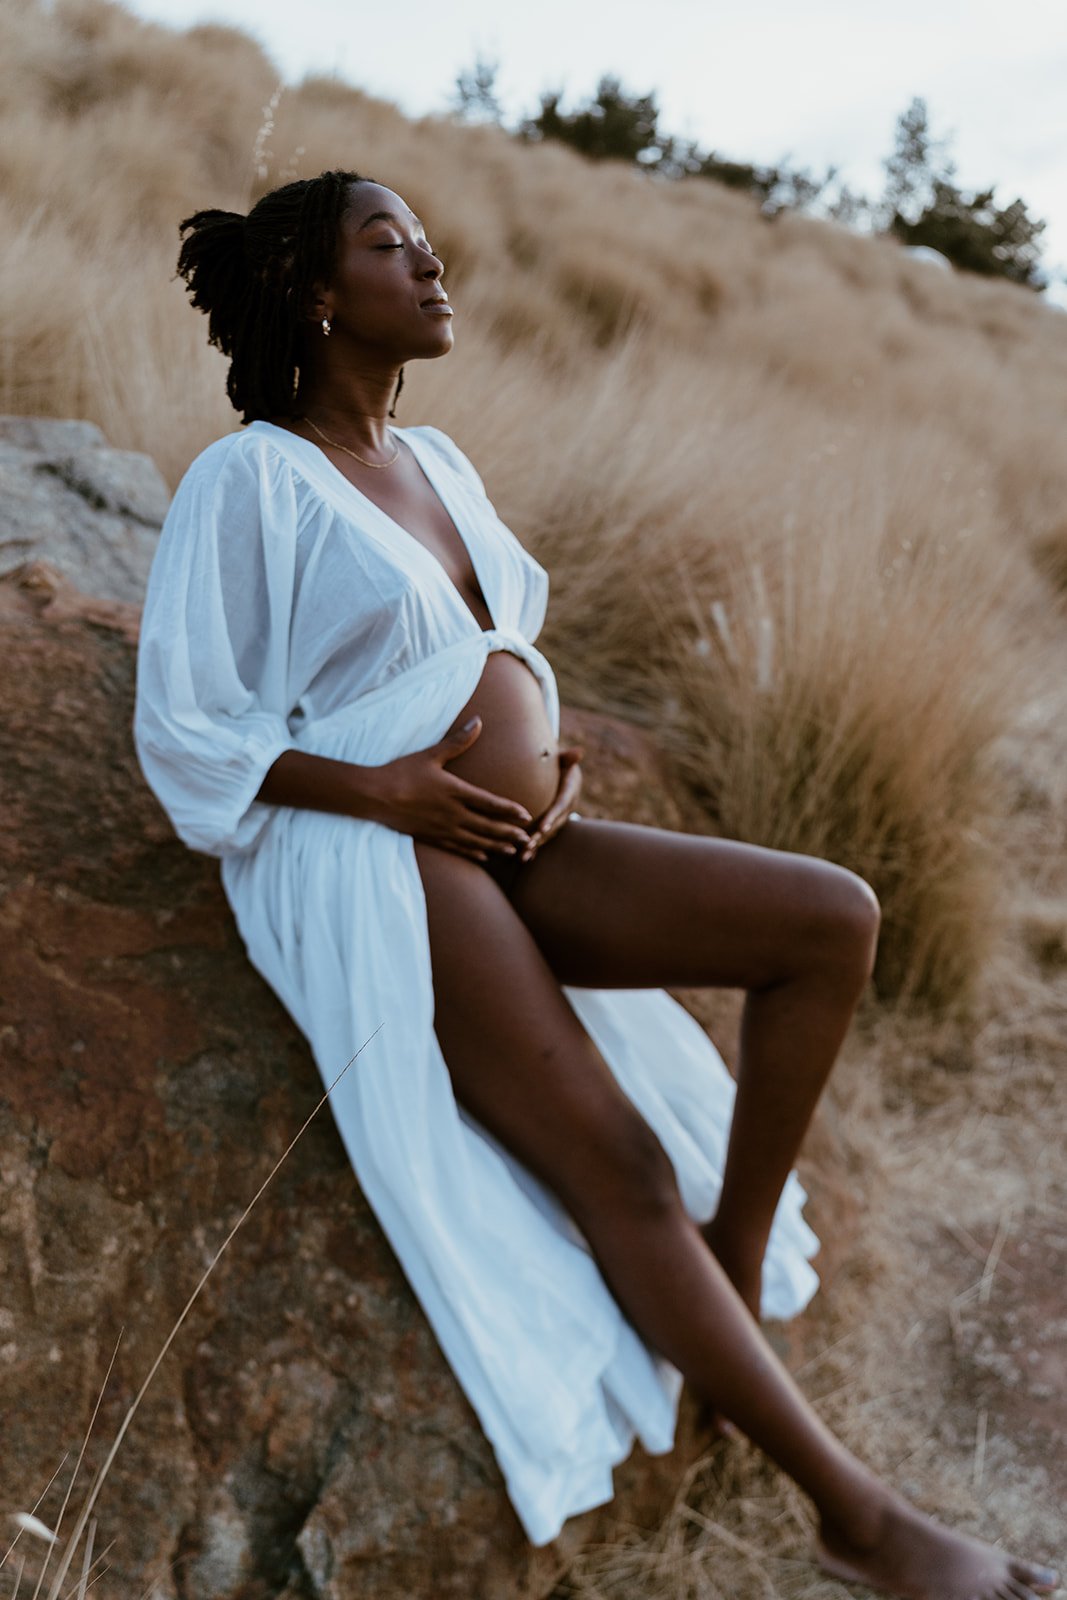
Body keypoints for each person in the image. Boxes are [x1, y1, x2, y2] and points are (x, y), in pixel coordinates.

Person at [134, 168, 1058, 1599]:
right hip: (370, 855)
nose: (434, 262)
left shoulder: (440, 460)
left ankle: (729, 1267)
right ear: (318, 296)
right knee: (616, 1160)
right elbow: (189, 728)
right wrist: (382, 789)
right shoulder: (248, 477)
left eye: (429, 239)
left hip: (515, 834)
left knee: (830, 922)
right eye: (393, 246)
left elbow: (491, 652)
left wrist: (551, 764)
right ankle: (856, 1517)